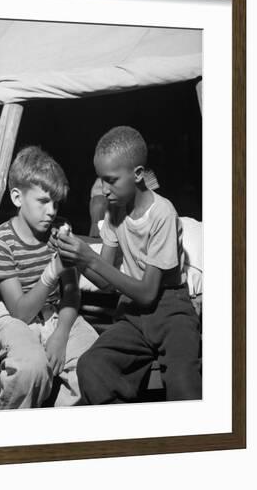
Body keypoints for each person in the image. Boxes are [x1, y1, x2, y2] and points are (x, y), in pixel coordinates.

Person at [54, 126, 202, 404]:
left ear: (137, 174)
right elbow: (105, 282)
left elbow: (148, 291)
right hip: (132, 313)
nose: (104, 190)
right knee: (92, 365)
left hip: (170, 309)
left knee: (184, 382)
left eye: (111, 181)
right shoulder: (115, 210)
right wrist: (75, 259)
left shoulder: (162, 214)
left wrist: (91, 257)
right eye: (100, 181)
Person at [0, 146, 98, 409]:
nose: (51, 211)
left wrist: (60, 333)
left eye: (56, 203)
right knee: (30, 369)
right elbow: (20, 313)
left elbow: (71, 292)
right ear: (17, 197)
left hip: (57, 312)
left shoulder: (59, 231)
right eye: (43, 201)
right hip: (12, 317)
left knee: (94, 363)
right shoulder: (0, 242)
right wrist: (52, 269)